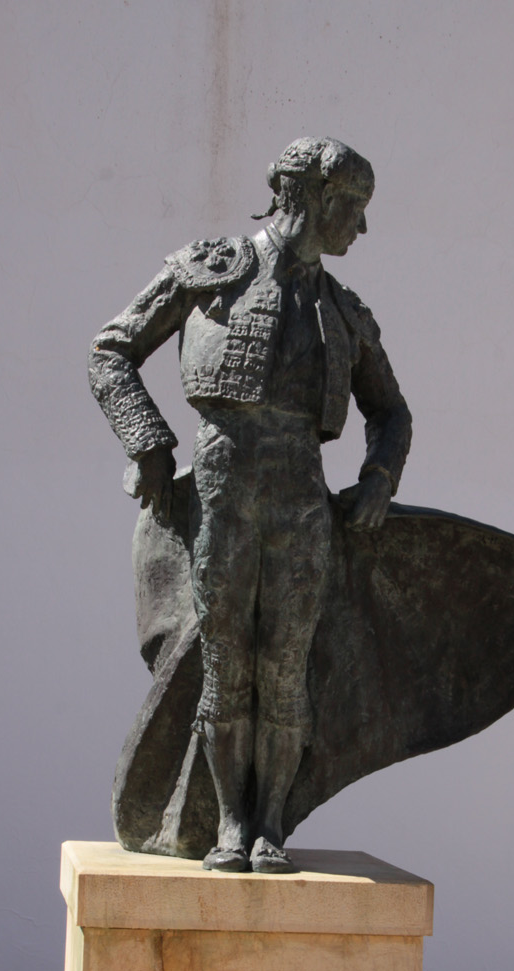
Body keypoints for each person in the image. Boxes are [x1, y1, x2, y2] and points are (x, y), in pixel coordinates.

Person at [89, 137, 411, 874]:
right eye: (353, 207)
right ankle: (231, 824)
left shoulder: (343, 311)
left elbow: (391, 412)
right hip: (221, 488)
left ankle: (269, 826)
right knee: (226, 664)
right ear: (314, 196)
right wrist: (148, 444)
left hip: (300, 500)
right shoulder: (212, 271)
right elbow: (110, 351)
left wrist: (378, 479)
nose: (361, 227)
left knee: (286, 669)